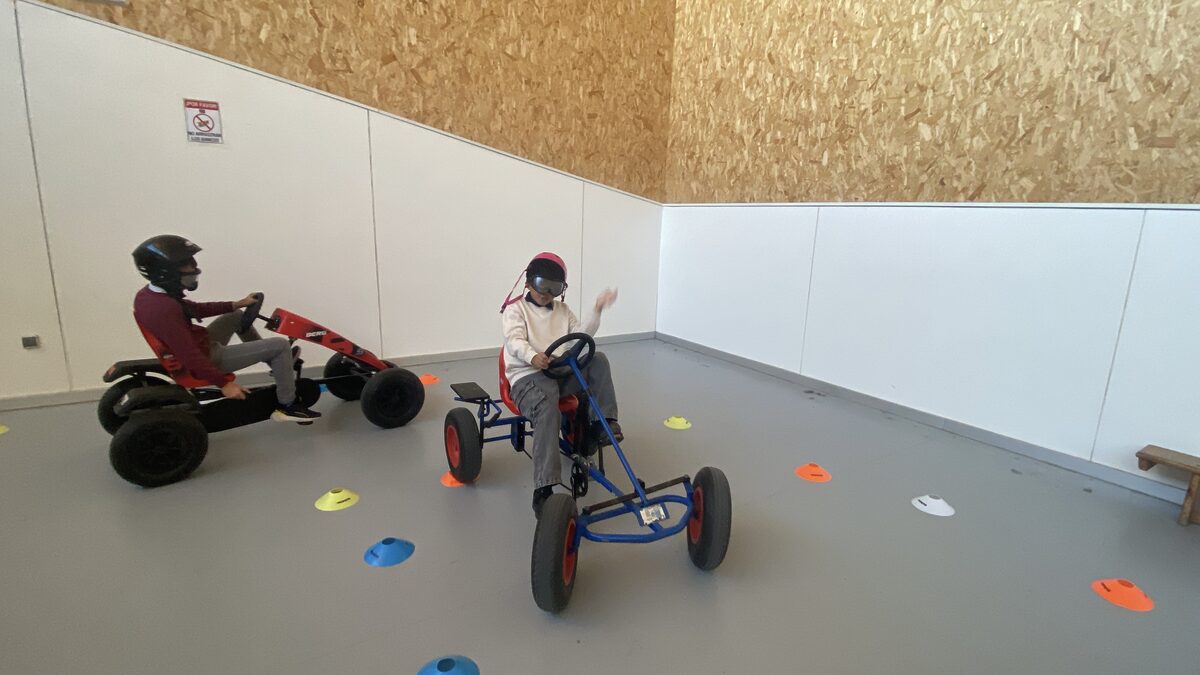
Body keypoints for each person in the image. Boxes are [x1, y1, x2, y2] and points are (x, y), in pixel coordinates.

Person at [130, 234, 320, 422]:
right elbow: (188, 354)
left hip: (199, 342)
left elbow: (196, 309)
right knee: (280, 345)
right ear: (166, 271)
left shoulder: (150, 296)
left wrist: (236, 304)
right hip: (206, 356)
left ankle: (276, 361)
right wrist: (224, 384)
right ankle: (288, 405)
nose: (194, 268)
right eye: (186, 265)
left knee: (235, 316)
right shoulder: (164, 309)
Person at [500, 252, 620, 516]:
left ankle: (603, 423)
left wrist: (597, 309)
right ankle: (544, 488)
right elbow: (514, 340)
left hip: (558, 370)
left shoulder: (563, 311)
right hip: (527, 375)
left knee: (597, 360)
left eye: (554, 288)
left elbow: (580, 336)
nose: (547, 293)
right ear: (528, 282)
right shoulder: (515, 310)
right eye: (542, 285)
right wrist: (532, 356)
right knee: (547, 407)